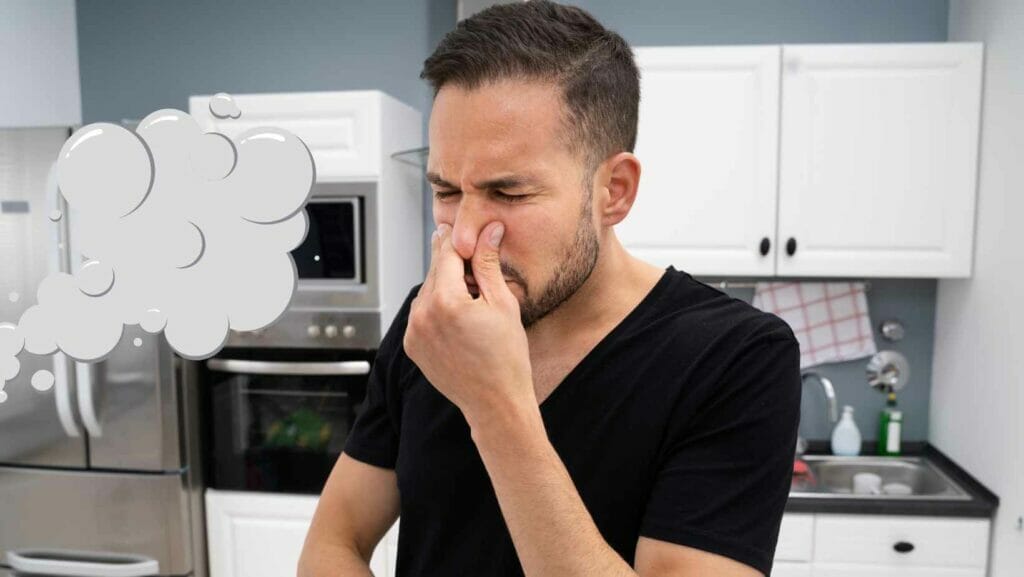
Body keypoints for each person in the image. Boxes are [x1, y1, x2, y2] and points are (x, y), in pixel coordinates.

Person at [297, 2, 800, 576]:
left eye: (509, 195)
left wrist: (493, 405)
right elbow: (332, 543)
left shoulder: (735, 357)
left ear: (614, 190)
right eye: (446, 190)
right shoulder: (429, 321)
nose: (463, 235)